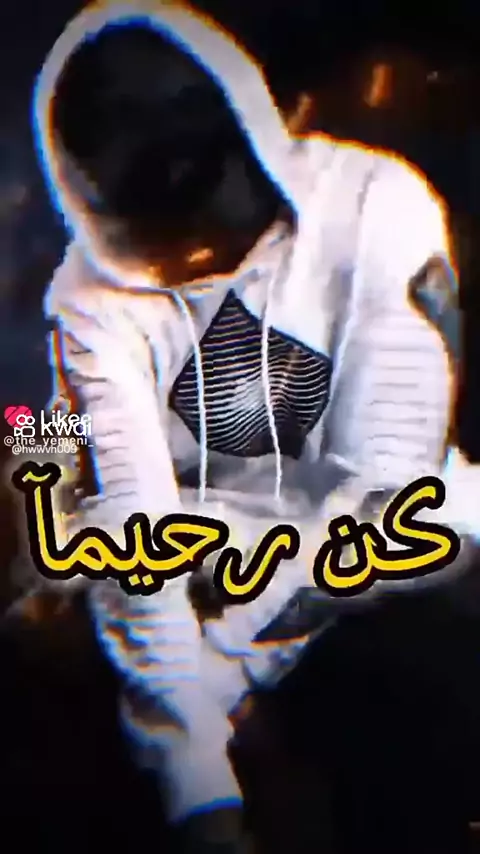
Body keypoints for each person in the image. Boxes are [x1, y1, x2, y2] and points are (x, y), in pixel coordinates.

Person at [34, 1, 461, 851]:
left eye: (211, 233)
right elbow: (130, 523)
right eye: (166, 246)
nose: (195, 265)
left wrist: (222, 677)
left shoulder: (378, 207)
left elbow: (387, 493)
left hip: (360, 572)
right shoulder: (87, 297)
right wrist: (193, 773)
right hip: (197, 565)